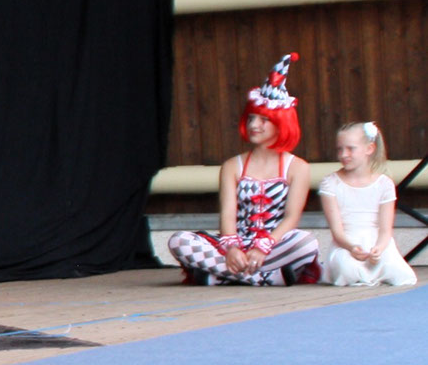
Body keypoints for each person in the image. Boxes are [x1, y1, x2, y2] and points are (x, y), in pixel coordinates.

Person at [168, 53, 321, 286]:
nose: (254, 125)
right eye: (251, 118)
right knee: (178, 241)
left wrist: (263, 247)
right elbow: (228, 214)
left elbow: (291, 218)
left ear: (281, 123)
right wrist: (231, 248)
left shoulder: (298, 167)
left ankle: (219, 277)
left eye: (263, 120)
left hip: (274, 246)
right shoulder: (232, 166)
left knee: (306, 243)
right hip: (234, 246)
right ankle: (265, 278)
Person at [319, 121, 416, 286]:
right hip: (347, 244)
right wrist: (351, 247)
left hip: (376, 242)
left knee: (394, 267)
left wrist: (379, 248)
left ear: (369, 149)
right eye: (340, 149)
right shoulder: (330, 183)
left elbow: (385, 230)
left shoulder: (384, 184)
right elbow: (337, 232)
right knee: (346, 268)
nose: (343, 154)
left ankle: (376, 269)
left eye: (350, 149)